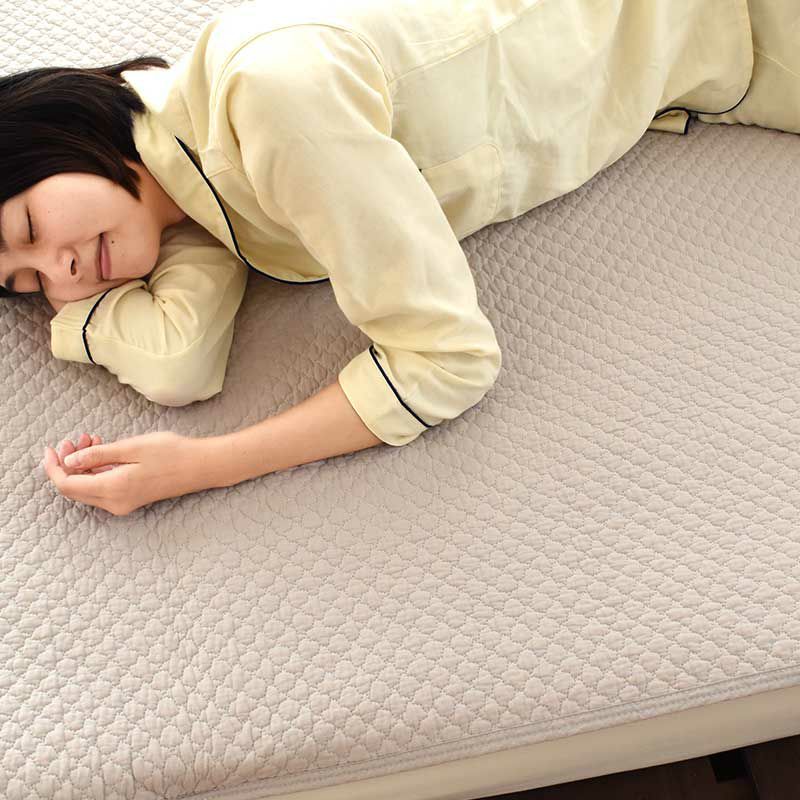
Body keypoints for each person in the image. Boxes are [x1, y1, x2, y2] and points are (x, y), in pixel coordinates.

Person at [0, 0, 795, 515]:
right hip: (706, 58)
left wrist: (206, 466)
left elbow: (448, 362)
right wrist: (79, 311)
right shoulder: (189, 192)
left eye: (31, 223)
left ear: (63, 127)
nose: (61, 273)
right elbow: (180, 361)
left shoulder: (267, 102)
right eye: (27, 282)